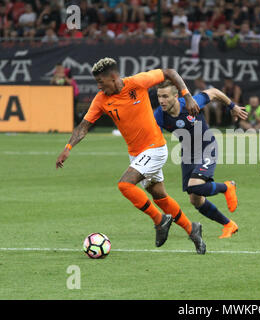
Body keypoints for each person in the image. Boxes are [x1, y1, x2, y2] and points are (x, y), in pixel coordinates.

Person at [55, 57, 206, 254]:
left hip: (155, 148)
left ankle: (160, 221)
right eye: (97, 83)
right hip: (136, 154)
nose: (99, 87)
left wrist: (187, 96)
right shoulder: (101, 99)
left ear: (114, 77)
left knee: (124, 185)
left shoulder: (136, 83)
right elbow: (83, 127)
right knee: (159, 196)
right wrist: (68, 147)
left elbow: (169, 72)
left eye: (101, 82)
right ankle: (192, 229)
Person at [154, 80, 248, 238]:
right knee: (195, 200)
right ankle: (229, 225)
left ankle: (227, 187)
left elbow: (214, 92)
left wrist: (233, 107)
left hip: (207, 148)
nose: (161, 101)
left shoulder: (190, 103)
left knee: (195, 186)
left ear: (176, 96)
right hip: (188, 154)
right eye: (159, 96)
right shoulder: (159, 115)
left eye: (165, 96)